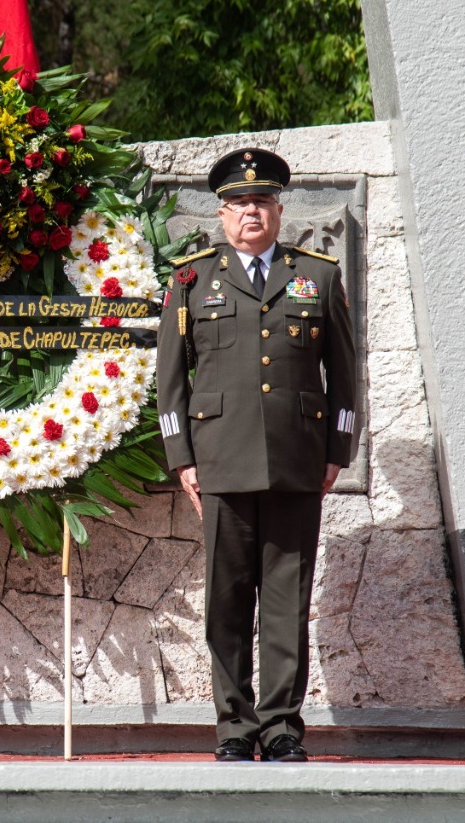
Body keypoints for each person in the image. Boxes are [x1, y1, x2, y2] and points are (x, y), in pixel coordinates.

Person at [156, 148, 358, 763]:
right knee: (226, 599)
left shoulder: (318, 276)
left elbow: (344, 375)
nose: (252, 212)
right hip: (218, 461)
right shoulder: (191, 279)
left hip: (298, 462)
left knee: (286, 598)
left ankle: (281, 727)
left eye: (263, 202)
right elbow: (172, 381)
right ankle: (235, 728)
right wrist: (182, 457)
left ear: (278, 210)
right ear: (222, 214)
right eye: (240, 203)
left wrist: (337, 451)